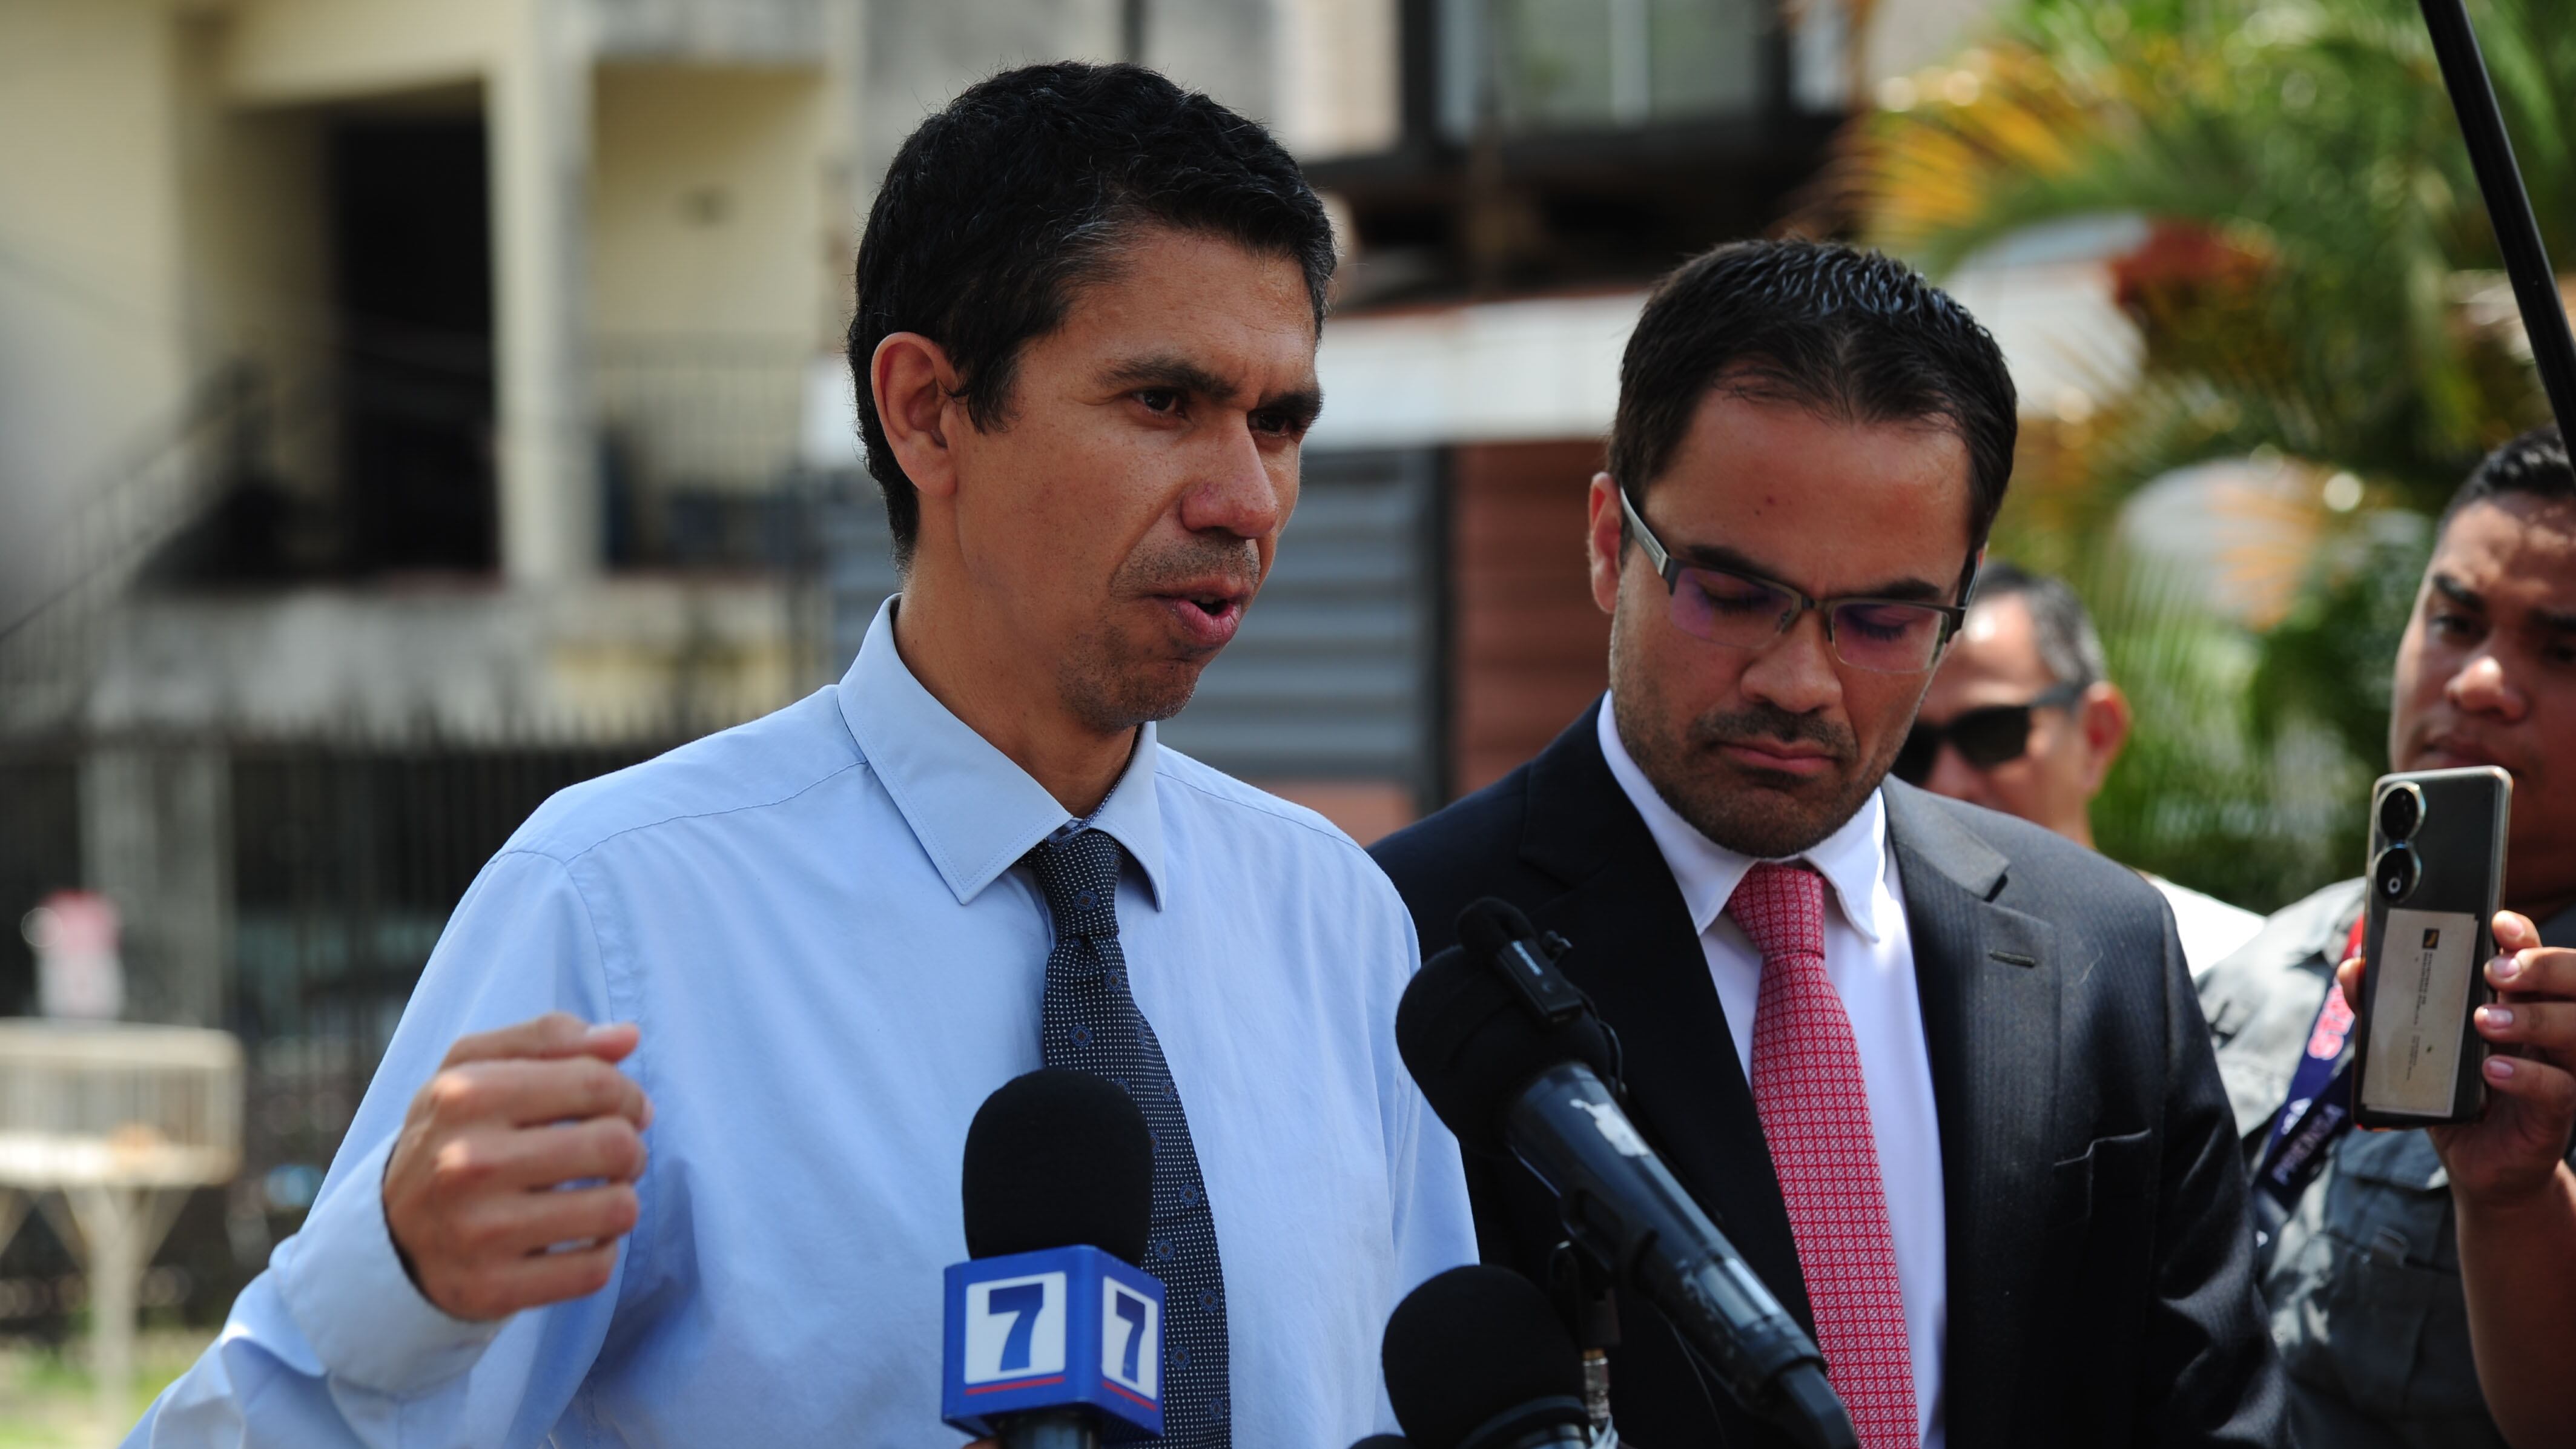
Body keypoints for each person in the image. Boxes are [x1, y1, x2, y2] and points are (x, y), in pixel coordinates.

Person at [131, 63, 1475, 1447]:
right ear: (926, 410)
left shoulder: (1337, 921)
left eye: (1278, 421)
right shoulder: (619, 912)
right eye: (1161, 402)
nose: (1246, 497)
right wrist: (391, 1286)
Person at [1373, 239, 2284, 1448]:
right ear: (1608, 544)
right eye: (1733, 593)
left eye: (1883, 618)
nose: (1797, 678)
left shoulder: (2101, 950)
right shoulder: (1398, 939)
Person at [2200, 423, 2576, 1448]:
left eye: (2561, 648)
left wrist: (2511, 1201)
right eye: (2454, 620)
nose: (2477, 681)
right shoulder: (2263, 962)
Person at [1904, 561, 2262, 975]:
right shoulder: (1868, 984)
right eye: (1911, 749)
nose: (1944, 784)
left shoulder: (2236, 973)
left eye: (1992, 733)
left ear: (2095, 735)